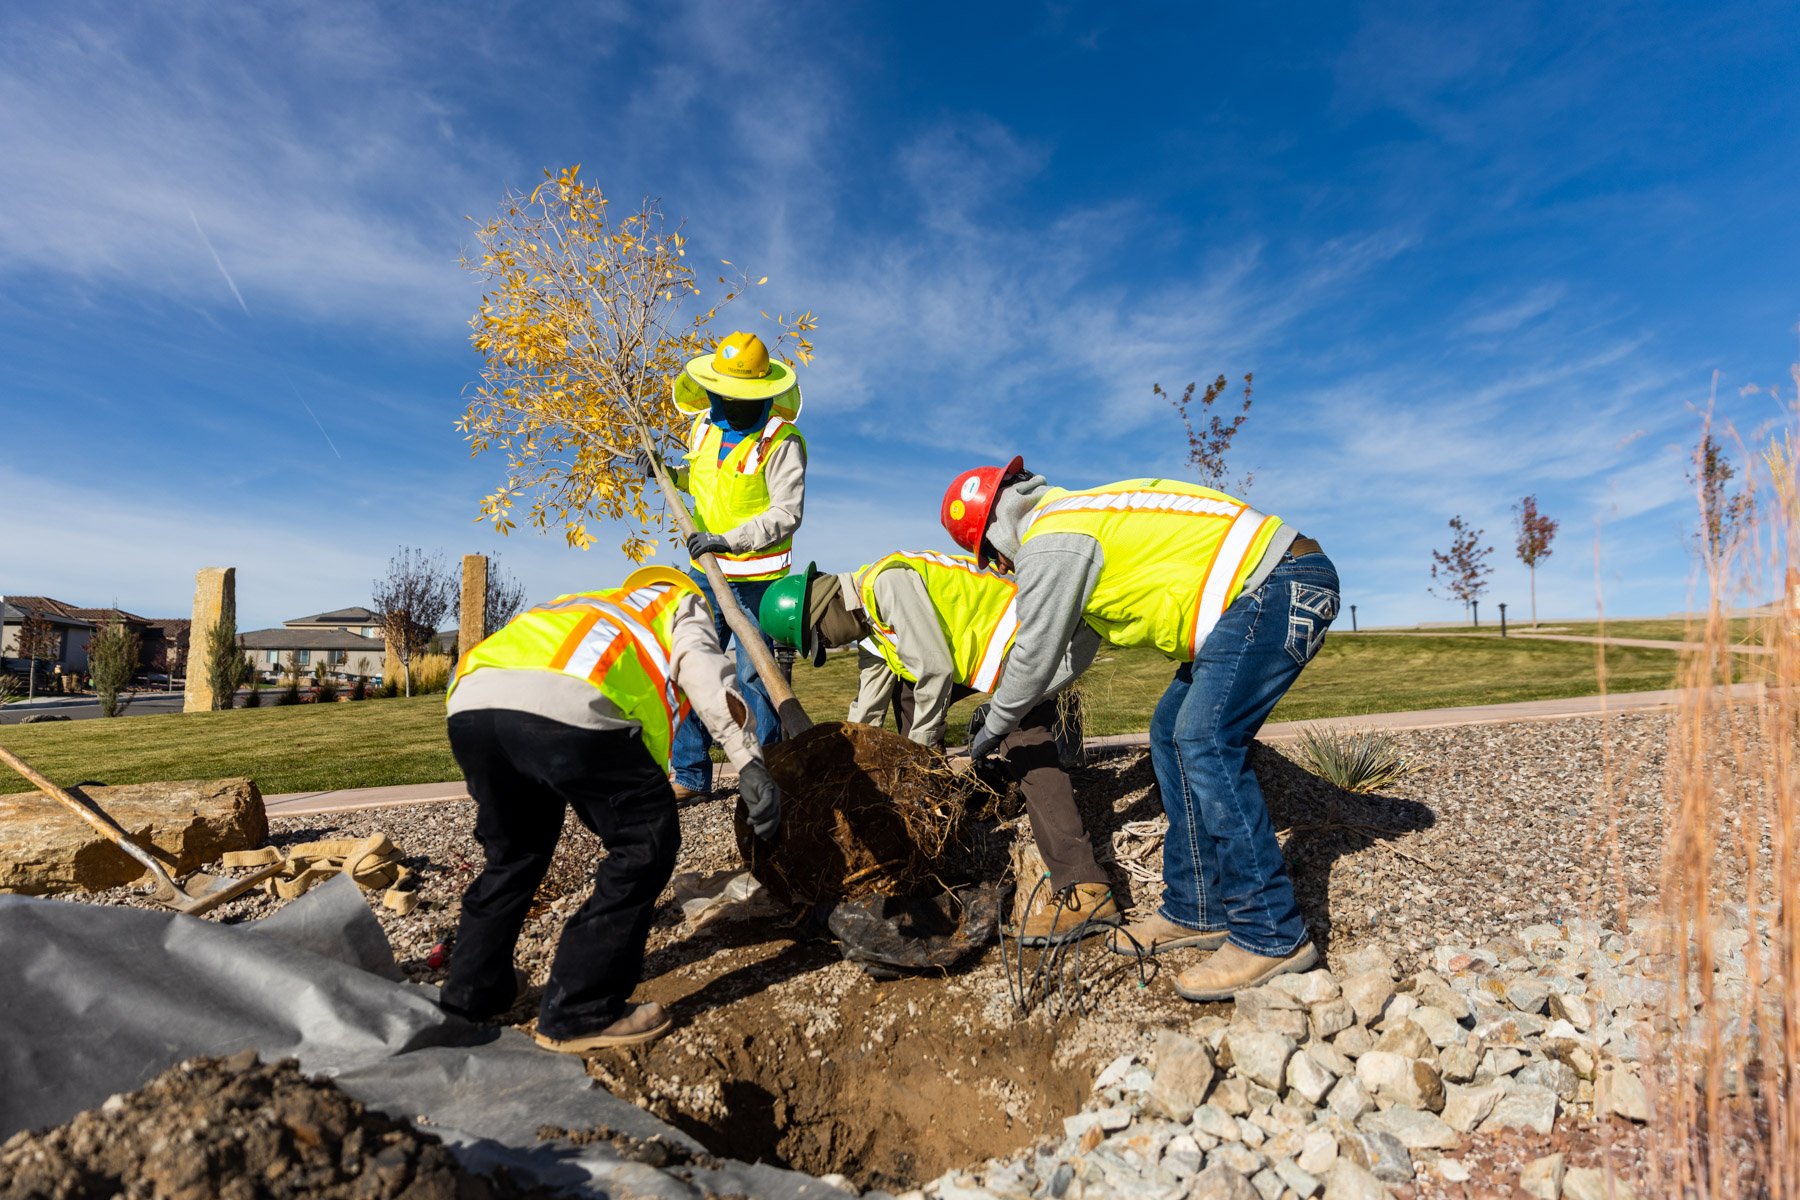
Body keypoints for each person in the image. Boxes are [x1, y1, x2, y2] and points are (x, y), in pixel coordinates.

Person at [940, 459, 1339, 1000]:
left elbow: (1034, 655)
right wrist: (1005, 708)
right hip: (1262, 590)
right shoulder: (1073, 525)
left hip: (1279, 584)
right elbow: (1066, 658)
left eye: (994, 559)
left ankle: (1271, 932)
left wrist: (995, 724)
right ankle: (1198, 909)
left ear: (993, 533)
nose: (1003, 569)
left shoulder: (1052, 540)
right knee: (1171, 733)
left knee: (1204, 738)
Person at [439, 566, 782, 1053]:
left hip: (472, 708)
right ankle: (580, 1009)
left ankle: (472, 991)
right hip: (568, 708)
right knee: (644, 842)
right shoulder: (677, 606)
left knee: (514, 852)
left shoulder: (576, 604)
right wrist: (747, 759)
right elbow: (707, 674)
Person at [758, 552, 1115, 945]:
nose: (824, 645)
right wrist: (843, 770)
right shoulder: (871, 629)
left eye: (820, 638)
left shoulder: (885, 585)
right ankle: (934, 827)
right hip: (990, 650)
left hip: (1029, 637)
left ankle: (1085, 885)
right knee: (907, 692)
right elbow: (866, 713)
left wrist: (920, 758)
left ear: (823, 607)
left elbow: (936, 669)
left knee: (1023, 738)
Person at [658, 331, 808, 802]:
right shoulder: (702, 428)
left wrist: (730, 540)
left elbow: (787, 513)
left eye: (740, 397)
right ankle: (689, 774)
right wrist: (669, 474)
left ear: (763, 394)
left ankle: (765, 775)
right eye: (724, 394)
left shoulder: (782, 441)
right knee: (688, 664)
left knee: (753, 677)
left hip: (759, 581)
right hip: (705, 572)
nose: (728, 404)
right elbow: (709, 483)